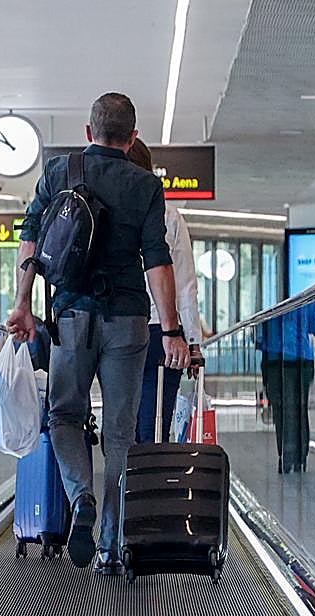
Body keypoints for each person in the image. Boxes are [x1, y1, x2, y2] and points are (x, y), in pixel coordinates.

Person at [6, 92, 190, 575]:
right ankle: (110, 543)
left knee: (65, 416)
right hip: (128, 321)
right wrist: (171, 329)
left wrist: (23, 304)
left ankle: (79, 494)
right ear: (132, 139)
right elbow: (157, 259)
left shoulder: (61, 173)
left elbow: (32, 240)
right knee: (121, 436)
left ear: (89, 133)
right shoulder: (146, 185)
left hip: (70, 317)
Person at [127, 138, 204, 444]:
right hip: (162, 331)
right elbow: (184, 284)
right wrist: (193, 342)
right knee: (155, 422)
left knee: (121, 423)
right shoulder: (168, 216)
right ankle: (148, 485)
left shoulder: (101, 211)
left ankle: (120, 487)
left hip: (115, 330)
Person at [257, 301, 315, 473]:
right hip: (300, 356)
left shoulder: (272, 293)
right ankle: (298, 457)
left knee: (282, 409)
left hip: (275, 357)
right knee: (299, 407)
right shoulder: (305, 293)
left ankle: (287, 456)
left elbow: (260, 330)